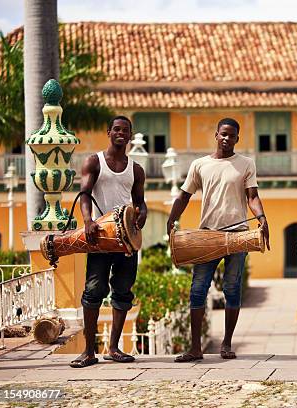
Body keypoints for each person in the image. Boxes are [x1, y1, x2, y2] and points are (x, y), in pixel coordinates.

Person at [167, 118, 269, 362]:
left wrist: (262, 218)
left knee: (232, 290)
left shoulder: (246, 164)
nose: (226, 138)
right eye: (223, 134)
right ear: (216, 135)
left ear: (237, 138)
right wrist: (172, 219)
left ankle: (226, 344)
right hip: (207, 235)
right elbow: (184, 196)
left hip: (238, 235)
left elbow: (252, 196)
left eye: (231, 135)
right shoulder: (199, 165)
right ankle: (195, 348)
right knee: (197, 290)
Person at [70, 116, 147, 368]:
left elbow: (139, 201)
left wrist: (142, 212)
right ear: (109, 132)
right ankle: (89, 351)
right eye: (117, 129)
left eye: (125, 130)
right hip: (101, 236)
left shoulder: (136, 169)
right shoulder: (94, 161)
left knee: (123, 291)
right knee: (93, 291)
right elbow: (84, 194)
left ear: (130, 135)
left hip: (126, 239)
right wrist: (88, 221)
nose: (121, 133)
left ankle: (113, 348)